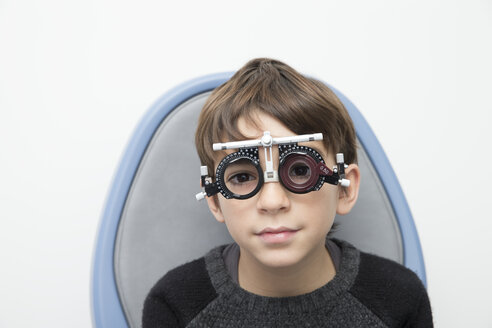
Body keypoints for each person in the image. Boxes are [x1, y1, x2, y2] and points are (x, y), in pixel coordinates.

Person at [142, 58, 433, 327]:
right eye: (242, 176)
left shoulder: (398, 299)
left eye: (300, 170)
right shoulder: (176, 305)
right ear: (214, 199)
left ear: (345, 188)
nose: (272, 201)